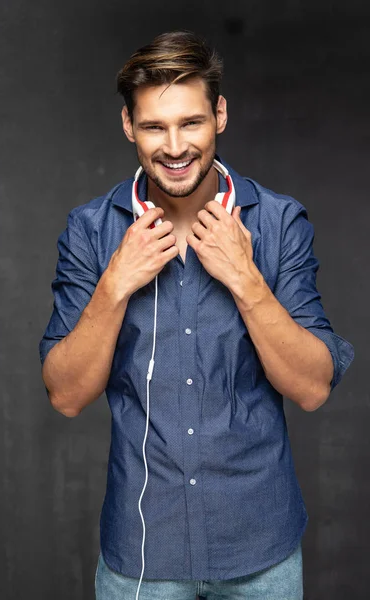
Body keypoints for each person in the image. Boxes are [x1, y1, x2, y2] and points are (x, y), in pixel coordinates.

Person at [39, 31, 354, 600]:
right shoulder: (90, 232)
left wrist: (244, 277)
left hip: (261, 547)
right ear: (128, 127)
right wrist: (115, 284)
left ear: (220, 116)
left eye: (191, 123)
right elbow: (65, 395)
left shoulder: (280, 224)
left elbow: (312, 388)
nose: (175, 146)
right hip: (141, 551)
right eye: (155, 126)